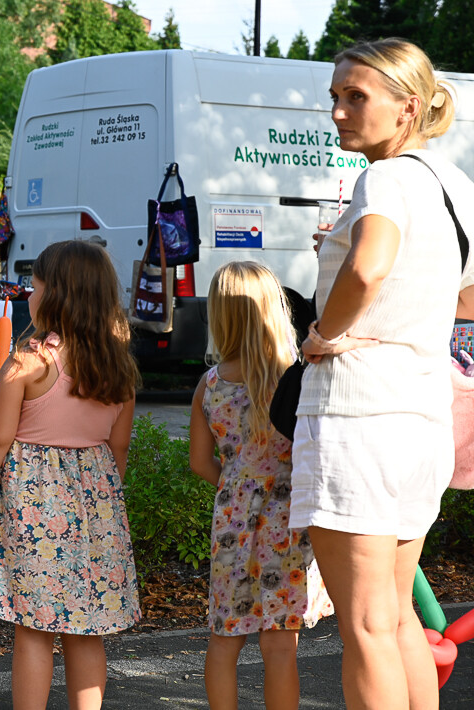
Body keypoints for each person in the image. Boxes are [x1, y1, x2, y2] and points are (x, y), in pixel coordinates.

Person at [295, 38, 474, 710]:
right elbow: (467, 297)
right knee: (398, 617)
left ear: (407, 106)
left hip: (359, 415)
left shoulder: (386, 178)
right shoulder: (456, 184)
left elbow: (368, 268)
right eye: (336, 97)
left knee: (367, 624)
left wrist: (324, 332)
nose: (339, 111)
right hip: (421, 415)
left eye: (356, 97)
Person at [0, 239, 141, 710]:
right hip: (97, 501)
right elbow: (117, 446)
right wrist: (101, 500)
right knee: (86, 631)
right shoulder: (119, 365)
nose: (28, 293)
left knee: (34, 629)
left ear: (56, 294)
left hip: (34, 504)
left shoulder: (28, 363)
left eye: (33, 285)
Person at [189, 261, 334, 710]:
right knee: (279, 648)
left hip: (232, 522)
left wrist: (237, 488)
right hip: (289, 523)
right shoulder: (298, 379)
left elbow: (199, 462)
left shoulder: (209, 385)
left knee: (225, 639)